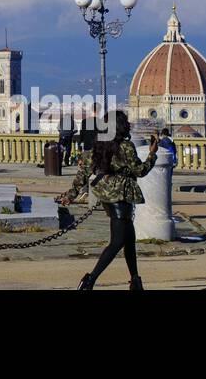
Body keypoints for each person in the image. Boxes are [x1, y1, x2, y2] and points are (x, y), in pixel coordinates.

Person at [58, 110, 156, 290]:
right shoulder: (126, 147)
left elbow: (83, 173)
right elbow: (140, 171)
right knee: (117, 242)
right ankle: (89, 280)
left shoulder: (98, 145)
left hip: (105, 196)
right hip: (121, 197)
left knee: (129, 239)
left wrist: (71, 194)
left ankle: (135, 281)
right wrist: (152, 155)